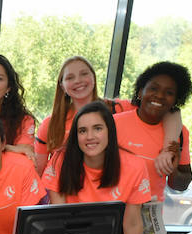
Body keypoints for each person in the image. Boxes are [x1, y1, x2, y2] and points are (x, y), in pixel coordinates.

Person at [41, 101, 162, 234]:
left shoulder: (134, 166)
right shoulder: (61, 160)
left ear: (109, 132)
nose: (90, 136)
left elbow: (132, 223)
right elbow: (60, 219)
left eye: (97, 128)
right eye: (82, 131)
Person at [35, 55, 179, 175]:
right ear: (62, 86)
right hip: (64, 197)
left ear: (94, 77)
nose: (78, 80)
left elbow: (170, 112)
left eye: (84, 74)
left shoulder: (119, 109)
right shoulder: (51, 123)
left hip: (107, 194)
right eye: (70, 77)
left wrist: (168, 150)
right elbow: (39, 171)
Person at [112, 61, 192, 202]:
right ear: (140, 92)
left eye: (169, 93)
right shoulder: (113, 123)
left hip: (148, 218)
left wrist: (173, 170)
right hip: (110, 211)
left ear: (176, 100)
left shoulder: (179, 134)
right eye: (153, 89)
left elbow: (180, 185)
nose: (160, 95)